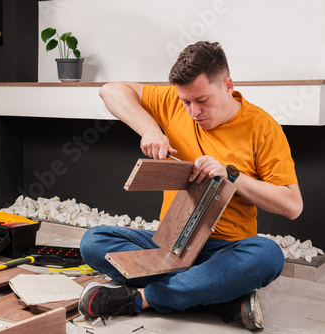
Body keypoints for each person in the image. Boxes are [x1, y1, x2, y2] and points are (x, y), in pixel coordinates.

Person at [78, 41, 303, 330]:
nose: (193, 111)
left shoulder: (262, 127)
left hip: (226, 250)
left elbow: (293, 205)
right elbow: (109, 90)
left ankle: (143, 298)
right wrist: (149, 129)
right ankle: (217, 295)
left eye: (202, 101)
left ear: (227, 85)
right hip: (169, 246)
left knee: (268, 256)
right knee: (94, 242)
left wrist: (232, 175)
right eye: (186, 102)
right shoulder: (176, 102)